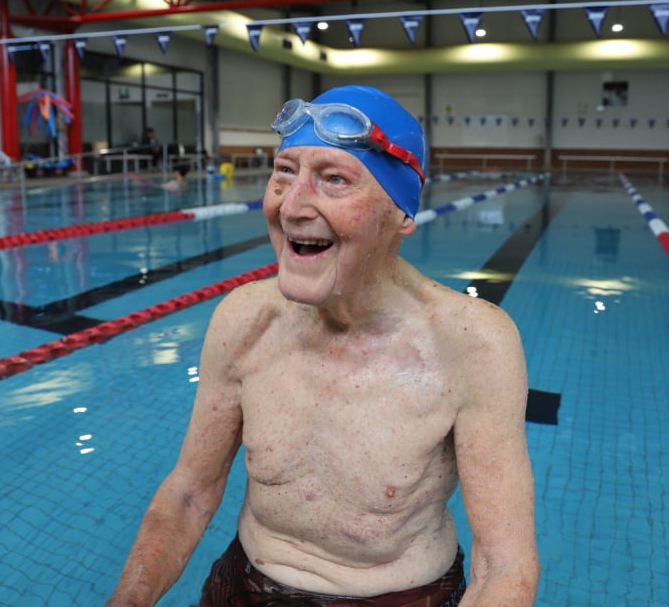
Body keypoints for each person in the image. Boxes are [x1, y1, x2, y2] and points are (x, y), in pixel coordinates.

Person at [106, 85, 540, 606]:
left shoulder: (472, 345)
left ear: (402, 214)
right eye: (284, 172)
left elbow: (503, 565)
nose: (291, 206)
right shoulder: (244, 320)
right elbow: (189, 494)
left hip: (399, 595)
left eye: (334, 179)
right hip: (245, 583)